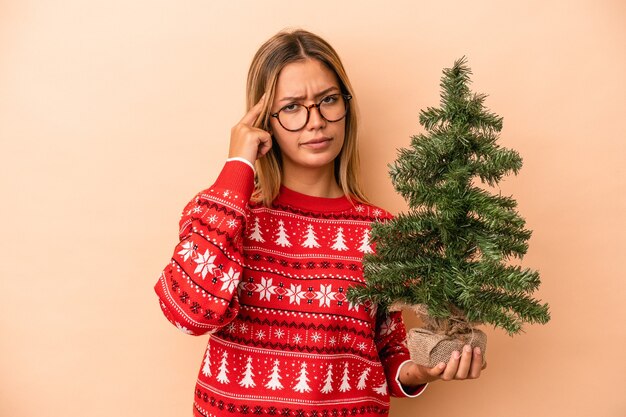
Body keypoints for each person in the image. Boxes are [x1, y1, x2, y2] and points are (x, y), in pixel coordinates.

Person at [154, 29, 483, 417]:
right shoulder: (226, 211)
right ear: (264, 121)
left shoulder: (382, 230)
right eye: (292, 107)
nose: (316, 121)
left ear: (346, 106)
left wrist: (416, 373)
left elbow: (386, 350)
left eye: (328, 100)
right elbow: (188, 313)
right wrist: (238, 165)